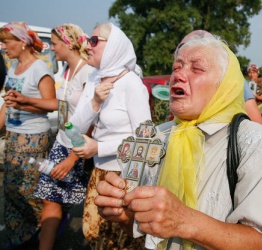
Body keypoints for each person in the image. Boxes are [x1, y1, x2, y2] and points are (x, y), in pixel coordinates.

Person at [94, 32, 262, 249]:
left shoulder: (254, 142)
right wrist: (122, 213)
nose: (179, 75)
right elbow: (139, 229)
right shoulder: (155, 137)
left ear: (225, 85)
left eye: (197, 68)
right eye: (177, 67)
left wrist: (185, 221)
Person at [70, 22, 151, 248]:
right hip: (99, 172)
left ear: (113, 45)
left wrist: (99, 147)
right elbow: (74, 128)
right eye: (87, 40)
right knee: (95, 234)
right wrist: (95, 102)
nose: (87, 45)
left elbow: (144, 139)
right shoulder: (95, 78)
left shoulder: (131, 83)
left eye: (94, 40)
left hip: (125, 176)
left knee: (121, 240)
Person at [31, 23, 94, 250]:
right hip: (63, 141)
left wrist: (73, 157)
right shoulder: (66, 72)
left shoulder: (88, 72)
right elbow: (63, 111)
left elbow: (90, 120)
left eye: (55, 44)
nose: (52, 48)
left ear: (69, 43)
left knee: (91, 205)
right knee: (49, 196)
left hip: (81, 147)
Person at [0, 22, 56, 248]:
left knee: (29, 191)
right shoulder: (13, 68)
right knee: (11, 191)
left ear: (23, 42)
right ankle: (20, 238)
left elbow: (52, 104)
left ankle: (45, 227)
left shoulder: (40, 69)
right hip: (13, 137)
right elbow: (7, 106)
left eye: (6, 41)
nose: (3, 46)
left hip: (34, 139)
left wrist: (24, 103)